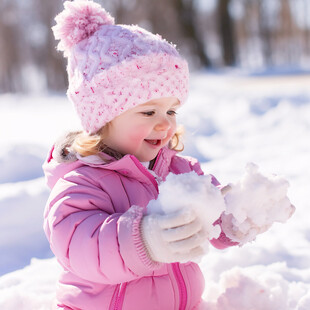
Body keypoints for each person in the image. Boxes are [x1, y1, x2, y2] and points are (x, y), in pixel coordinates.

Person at [43, 1, 293, 309]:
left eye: (171, 109)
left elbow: (209, 218)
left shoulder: (178, 170)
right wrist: (144, 240)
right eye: (149, 111)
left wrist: (235, 218)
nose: (166, 123)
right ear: (102, 118)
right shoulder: (82, 183)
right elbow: (79, 246)